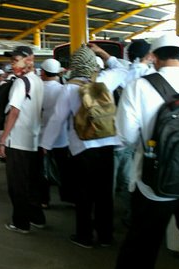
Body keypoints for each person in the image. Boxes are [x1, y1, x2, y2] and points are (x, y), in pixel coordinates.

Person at [40, 44, 127, 248]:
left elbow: (56, 120)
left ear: (74, 65)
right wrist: (101, 54)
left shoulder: (70, 87)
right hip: (107, 145)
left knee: (84, 195)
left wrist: (46, 144)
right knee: (105, 195)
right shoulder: (105, 80)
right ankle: (106, 236)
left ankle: (85, 236)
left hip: (82, 148)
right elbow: (124, 69)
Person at [115, 34, 179, 269]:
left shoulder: (139, 85)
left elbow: (126, 135)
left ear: (153, 57)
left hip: (154, 182)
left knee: (142, 243)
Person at [0, 46, 45, 233]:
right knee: (32, 183)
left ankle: (20, 223)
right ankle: (37, 218)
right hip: (33, 140)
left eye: (15, 60)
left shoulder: (21, 82)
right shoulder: (38, 81)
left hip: (17, 141)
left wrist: (3, 139)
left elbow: (14, 111)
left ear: (28, 60)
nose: (12, 64)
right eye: (11, 61)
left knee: (17, 185)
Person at [114, 39, 155, 227]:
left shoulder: (124, 73)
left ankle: (129, 214)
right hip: (151, 140)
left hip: (124, 137)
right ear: (149, 55)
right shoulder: (152, 75)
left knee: (127, 178)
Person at [38, 58, 71, 208]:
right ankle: (69, 197)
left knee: (41, 170)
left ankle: (43, 200)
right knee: (64, 168)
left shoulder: (36, 89)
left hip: (39, 136)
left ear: (43, 72)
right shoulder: (63, 89)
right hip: (61, 136)